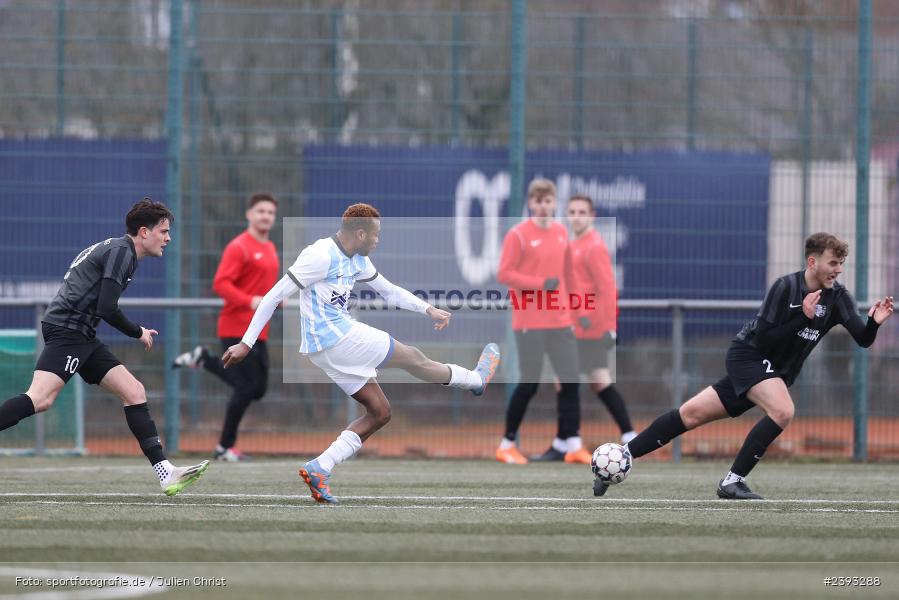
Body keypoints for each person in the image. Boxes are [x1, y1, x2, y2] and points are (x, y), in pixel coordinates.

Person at [221, 203, 501, 504]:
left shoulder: (358, 259)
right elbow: (273, 296)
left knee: (380, 412)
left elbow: (389, 291)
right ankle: (475, 380)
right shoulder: (320, 255)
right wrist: (247, 343)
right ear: (360, 233)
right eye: (376, 235)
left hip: (324, 349)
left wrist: (428, 309)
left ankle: (320, 467)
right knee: (413, 357)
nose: (378, 240)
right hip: (336, 337)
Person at [598, 232, 894, 499]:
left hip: (773, 372)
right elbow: (764, 338)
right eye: (833, 263)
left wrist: (874, 323)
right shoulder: (785, 287)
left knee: (690, 414)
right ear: (812, 262)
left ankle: (619, 458)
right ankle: (732, 482)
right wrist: (802, 317)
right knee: (783, 411)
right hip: (748, 356)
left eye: (841, 263)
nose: (838, 270)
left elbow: (863, 339)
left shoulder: (838, 297)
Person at [0, 199, 209, 496]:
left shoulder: (120, 250)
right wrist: (138, 332)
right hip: (68, 331)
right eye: (163, 231)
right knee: (40, 398)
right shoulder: (122, 252)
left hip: (81, 333)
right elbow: (107, 308)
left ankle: (166, 473)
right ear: (144, 232)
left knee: (134, 392)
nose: (168, 238)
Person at [172, 193, 280, 462]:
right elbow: (221, 284)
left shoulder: (270, 247)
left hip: (259, 330)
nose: (266, 216)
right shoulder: (239, 247)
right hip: (236, 327)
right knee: (246, 388)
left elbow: (264, 288)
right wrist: (250, 301)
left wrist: (276, 299)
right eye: (261, 211)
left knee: (258, 389)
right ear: (249, 214)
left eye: (270, 212)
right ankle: (224, 448)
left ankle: (204, 360)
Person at [495, 179, 590, 465]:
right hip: (530, 322)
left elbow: (569, 274)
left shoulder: (561, 232)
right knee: (530, 383)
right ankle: (507, 444)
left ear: (554, 203)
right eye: (538, 201)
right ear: (530, 203)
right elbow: (505, 273)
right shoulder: (518, 235)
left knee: (570, 380)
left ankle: (573, 445)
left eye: (548, 201)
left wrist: (579, 309)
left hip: (560, 320)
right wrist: (539, 284)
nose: (543, 206)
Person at [565, 195, 636, 445]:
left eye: (582, 212)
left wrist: (609, 328)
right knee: (598, 382)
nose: (576, 217)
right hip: (578, 326)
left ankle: (569, 442)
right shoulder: (574, 245)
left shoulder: (593, 246)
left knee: (567, 380)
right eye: (572, 212)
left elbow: (607, 289)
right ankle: (629, 434)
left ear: (592, 216)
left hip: (591, 328)